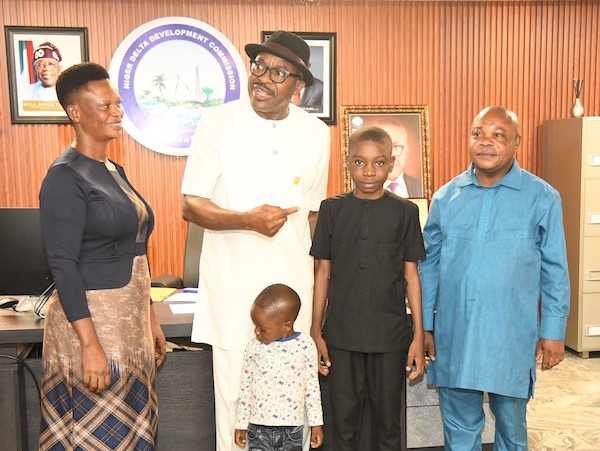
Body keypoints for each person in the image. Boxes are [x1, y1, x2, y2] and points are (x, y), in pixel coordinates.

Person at [180, 30, 330, 451]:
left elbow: (314, 214)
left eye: (278, 72)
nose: (263, 77)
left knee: (294, 400)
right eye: (259, 66)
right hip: (233, 290)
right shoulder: (218, 123)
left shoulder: (317, 134)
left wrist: (324, 288)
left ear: (298, 86)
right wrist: (247, 219)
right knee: (234, 403)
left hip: (291, 293)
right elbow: (191, 206)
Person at [418, 106, 570, 450]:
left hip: (511, 337)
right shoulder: (446, 197)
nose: (486, 142)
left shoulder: (542, 198)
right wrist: (424, 325)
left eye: (498, 135)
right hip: (456, 333)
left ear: (517, 142)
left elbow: (555, 269)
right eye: (478, 134)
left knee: (512, 426)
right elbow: (427, 265)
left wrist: (553, 332)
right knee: (459, 426)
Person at [38, 62, 166, 450]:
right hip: (92, 327)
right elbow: (63, 265)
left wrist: (150, 318)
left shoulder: (113, 170)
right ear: (75, 113)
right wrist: (90, 347)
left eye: (118, 104)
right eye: (106, 105)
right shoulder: (65, 176)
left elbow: (136, 249)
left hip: (128, 329)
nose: (117, 112)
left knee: (129, 434)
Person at [310, 126, 426, 451]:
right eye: (360, 162)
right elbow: (322, 273)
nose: (369, 171)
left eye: (378, 163)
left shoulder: (405, 212)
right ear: (348, 163)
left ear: (391, 164)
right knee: (343, 423)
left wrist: (417, 335)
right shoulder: (332, 210)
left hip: (389, 339)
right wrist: (316, 331)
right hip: (341, 337)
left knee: (389, 424)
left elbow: (412, 277)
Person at [234, 284, 324, 450]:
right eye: (255, 326)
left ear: (286, 326)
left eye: (263, 329)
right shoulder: (254, 347)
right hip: (258, 427)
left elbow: (312, 389)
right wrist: (241, 423)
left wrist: (316, 424)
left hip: (292, 428)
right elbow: (246, 387)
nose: (256, 332)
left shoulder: (305, 346)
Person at [363, 116, 422, 198]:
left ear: (406, 152)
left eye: (396, 147)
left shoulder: (419, 186)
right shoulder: (360, 190)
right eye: (383, 147)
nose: (391, 155)